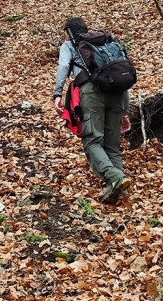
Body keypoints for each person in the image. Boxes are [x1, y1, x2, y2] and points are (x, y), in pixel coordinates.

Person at [52, 17, 132, 204]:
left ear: (68, 32)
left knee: (92, 141)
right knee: (112, 145)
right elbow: (121, 74)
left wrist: (57, 93)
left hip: (92, 92)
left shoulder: (71, 44)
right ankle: (118, 189)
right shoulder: (108, 43)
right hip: (116, 93)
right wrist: (125, 111)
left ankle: (116, 179)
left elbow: (64, 66)